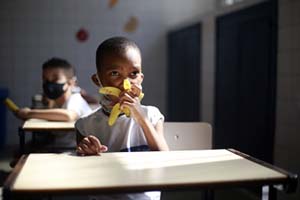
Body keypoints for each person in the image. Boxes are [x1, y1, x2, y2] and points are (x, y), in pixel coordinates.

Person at [75, 37, 169, 200]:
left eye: (134, 74)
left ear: (141, 78)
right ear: (98, 80)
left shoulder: (152, 115)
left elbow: (164, 160)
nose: (126, 83)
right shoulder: (85, 125)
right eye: (114, 73)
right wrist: (86, 151)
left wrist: (141, 117)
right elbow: (83, 175)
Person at [16, 57, 92, 149]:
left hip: (73, 149)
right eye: (45, 79)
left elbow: (68, 115)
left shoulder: (75, 99)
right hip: (58, 146)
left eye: (55, 79)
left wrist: (28, 113)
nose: (49, 83)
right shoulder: (55, 101)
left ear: (70, 83)